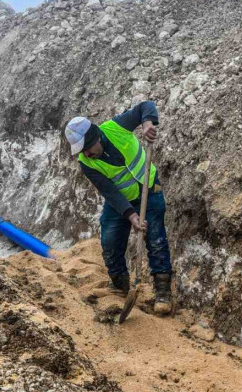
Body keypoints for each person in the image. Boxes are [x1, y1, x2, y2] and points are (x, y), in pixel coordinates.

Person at [64, 101, 172, 315]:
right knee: (110, 240)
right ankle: (121, 284)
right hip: (120, 202)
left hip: (149, 190)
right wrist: (131, 215)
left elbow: (145, 106)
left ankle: (163, 293)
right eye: (81, 151)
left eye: (86, 148)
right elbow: (109, 191)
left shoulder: (116, 128)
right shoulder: (87, 163)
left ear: (95, 138)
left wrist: (148, 123)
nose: (85, 154)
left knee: (156, 238)